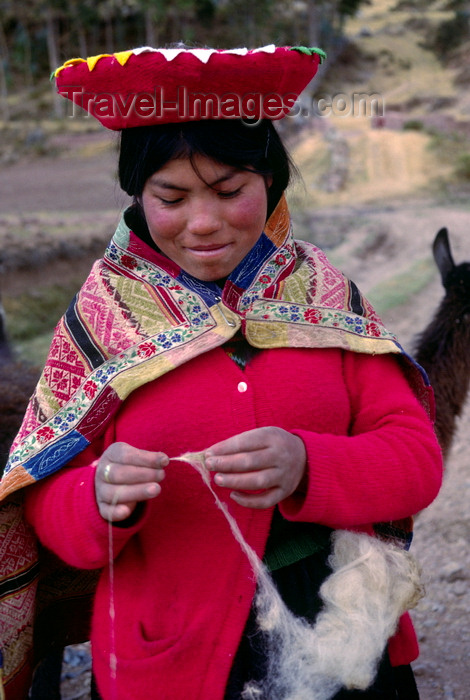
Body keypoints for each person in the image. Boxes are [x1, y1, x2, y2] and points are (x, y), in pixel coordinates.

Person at [0, 45, 442, 700]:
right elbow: (44, 501)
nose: (202, 223)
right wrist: (97, 496)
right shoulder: (102, 319)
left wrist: (308, 465)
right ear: (139, 195)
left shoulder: (323, 295)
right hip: (166, 662)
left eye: (229, 191)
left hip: (347, 647)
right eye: (171, 197)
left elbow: (415, 461)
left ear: (270, 181)